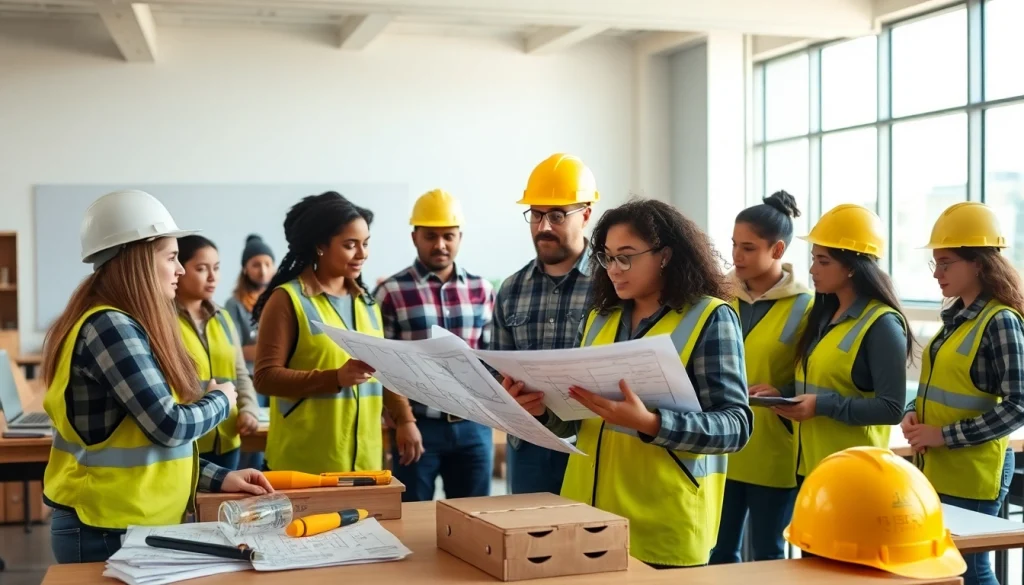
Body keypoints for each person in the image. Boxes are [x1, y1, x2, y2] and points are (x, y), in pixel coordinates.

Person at [503, 198, 753, 568]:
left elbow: (736, 426)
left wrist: (652, 423)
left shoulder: (710, 318)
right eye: (606, 257)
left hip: (663, 525)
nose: (614, 269)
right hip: (585, 518)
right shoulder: (600, 318)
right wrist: (541, 411)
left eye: (626, 256)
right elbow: (578, 420)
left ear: (665, 255)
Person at [41, 190, 272, 564]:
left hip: (120, 524)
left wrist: (216, 477)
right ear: (138, 261)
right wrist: (220, 401)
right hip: (104, 529)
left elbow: (147, 446)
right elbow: (168, 425)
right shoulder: (111, 326)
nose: (180, 269)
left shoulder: (118, 323)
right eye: (171, 257)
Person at [252, 191, 424, 474]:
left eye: (366, 244)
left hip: (365, 465)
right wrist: (335, 378)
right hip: (303, 465)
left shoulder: (367, 302)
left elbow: (385, 369)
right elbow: (265, 378)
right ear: (320, 245)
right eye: (350, 245)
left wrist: (405, 420)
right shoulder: (287, 299)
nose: (362, 254)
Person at [900, 202, 1024, 585]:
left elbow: (1019, 404)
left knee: (971, 570)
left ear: (980, 264)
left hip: (972, 473)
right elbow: (941, 384)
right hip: (938, 468)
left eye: (947, 262)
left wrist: (943, 435)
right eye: (935, 263)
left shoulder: (1000, 321)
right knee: (945, 567)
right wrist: (911, 409)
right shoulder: (956, 318)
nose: (937, 274)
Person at [758, 204, 912, 485]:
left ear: (852, 267)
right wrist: (781, 394)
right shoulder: (824, 316)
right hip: (812, 467)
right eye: (814, 259)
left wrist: (821, 406)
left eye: (823, 261)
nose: (813, 269)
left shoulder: (881, 324)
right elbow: (824, 383)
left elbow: (891, 409)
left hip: (855, 474)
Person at [710, 191, 812, 564]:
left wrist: (783, 390)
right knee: (718, 551)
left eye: (749, 248)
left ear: (778, 249)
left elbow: (816, 374)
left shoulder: (807, 306)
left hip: (774, 449)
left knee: (769, 554)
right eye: (735, 245)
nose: (736, 256)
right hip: (720, 445)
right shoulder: (718, 297)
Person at [375, 189, 496, 501]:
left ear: (460, 237)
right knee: (412, 521)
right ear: (415, 237)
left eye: (448, 236)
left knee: (476, 521)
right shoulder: (391, 292)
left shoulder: (481, 290)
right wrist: (403, 420)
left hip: (474, 426)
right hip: (418, 427)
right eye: (431, 236)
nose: (440, 244)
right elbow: (384, 365)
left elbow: (492, 359)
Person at [491, 153, 599, 495]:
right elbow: (496, 369)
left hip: (593, 443)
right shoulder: (511, 289)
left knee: (592, 542)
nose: (543, 227)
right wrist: (509, 394)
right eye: (536, 215)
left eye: (556, 215)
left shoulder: (611, 285)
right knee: (528, 541)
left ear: (585, 215)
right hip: (529, 445)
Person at [175, 235, 262, 471]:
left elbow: (240, 373)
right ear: (178, 269)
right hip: (187, 443)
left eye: (217, 268)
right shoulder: (163, 321)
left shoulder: (222, 317)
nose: (213, 277)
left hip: (228, 438)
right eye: (202, 269)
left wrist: (249, 410)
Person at [224, 234, 276, 470]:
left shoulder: (278, 299)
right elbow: (235, 350)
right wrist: (271, 349)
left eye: (267, 264)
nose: (263, 270)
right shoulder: (234, 304)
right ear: (245, 268)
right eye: (256, 265)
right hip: (250, 381)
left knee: (271, 441)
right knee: (251, 445)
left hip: (275, 378)